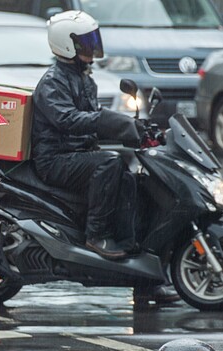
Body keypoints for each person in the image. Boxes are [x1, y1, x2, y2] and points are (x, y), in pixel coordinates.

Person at [31, 10, 179, 302]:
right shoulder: (53, 82)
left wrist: (136, 130)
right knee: (109, 163)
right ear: (67, 44)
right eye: (85, 41)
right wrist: (110, 121)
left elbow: (93, 121)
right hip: (55, 160)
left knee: (133, 176)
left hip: (78, 154)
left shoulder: (85, 78)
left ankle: (140, 268)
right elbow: (69, 120)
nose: (92, 46)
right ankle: (95, 236)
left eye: (92, 40)